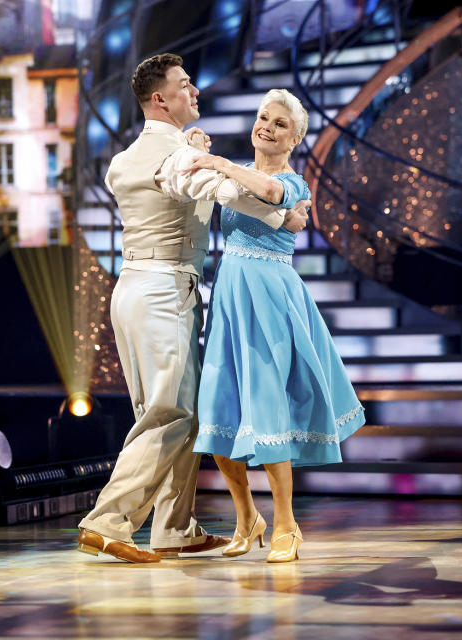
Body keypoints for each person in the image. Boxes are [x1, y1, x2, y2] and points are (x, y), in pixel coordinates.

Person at [77, 54, 309, 564]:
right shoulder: (180, 158)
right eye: (185, 86)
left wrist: (191, 148)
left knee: (164, 411)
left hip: (129, 288)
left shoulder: (122, 160)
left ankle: (175, 527)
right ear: (161, 98)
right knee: (174, 415)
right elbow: (223, 190)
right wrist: (281, 216)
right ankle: (107, 522)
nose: (195, 93)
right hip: (166, 291)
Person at [188, 89, 366, 563]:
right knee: (217, 410)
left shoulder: (295, 184)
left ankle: (287, 523)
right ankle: (247, 518)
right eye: (263, 117)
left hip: (271, 297)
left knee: (268, 406)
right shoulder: (237, 179)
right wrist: (196, 148)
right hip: (230, 293)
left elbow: (270, 193)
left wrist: (220, 164)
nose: (267, 126)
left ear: (296, 138)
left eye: (280, 123)